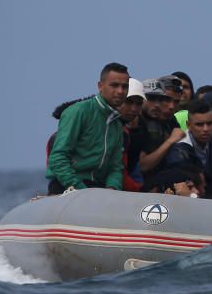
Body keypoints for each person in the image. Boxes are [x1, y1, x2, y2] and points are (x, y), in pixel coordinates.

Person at [46, 62, 129, 195]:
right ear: (100, 86)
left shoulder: (117, 123)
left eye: (125, 87)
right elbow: (57, 158)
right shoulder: (78, 112)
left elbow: (115, 167)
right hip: (67, 186)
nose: (120, 91)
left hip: (98, 190)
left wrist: (112, 190)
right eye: (114, 85)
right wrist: (81, 189)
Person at [131, 78, 185, 180]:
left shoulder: (170, 121)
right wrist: (170, 141)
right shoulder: (138, 122)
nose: (171, 106)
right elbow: (142, 166)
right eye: (167, 100)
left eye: (160, 99)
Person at [119, 78, 146, 192]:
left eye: (138, 103)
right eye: (129, 102)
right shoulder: (109, 127)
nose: (134, 108)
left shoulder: (141, 130)